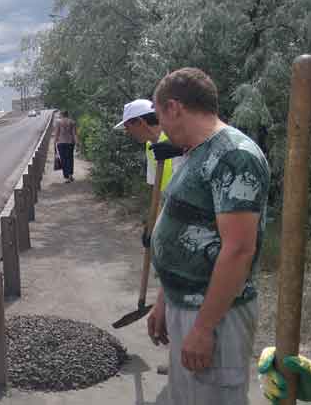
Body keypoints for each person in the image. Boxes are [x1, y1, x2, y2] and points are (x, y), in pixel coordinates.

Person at [146, 68, 270, 405]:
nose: (162, 127)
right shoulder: (195, 152)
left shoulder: (234, 156)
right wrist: (164, 298)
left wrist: (202, 329)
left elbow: (240, 249)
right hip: (185, 305)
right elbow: (184, 226)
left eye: (160, 116)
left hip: (215, 316)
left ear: (174, 108)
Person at [114, 98, 184, 192]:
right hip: (166, 203)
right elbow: (153, 182)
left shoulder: (179, 139)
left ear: (140, 122)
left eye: (127, 127)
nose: (127, 132)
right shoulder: (150, 145)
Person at [53, 110, 78, 182]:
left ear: (62, 115)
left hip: (61, 143)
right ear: (68, 114)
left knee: (63, 160)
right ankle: (70, 175)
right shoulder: (72, 122)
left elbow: (56, 134)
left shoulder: (58, 122)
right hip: (70, 143)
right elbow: (74, 134)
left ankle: (66, 177)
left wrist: (54, 143)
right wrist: (77, 143)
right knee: (70, 158)